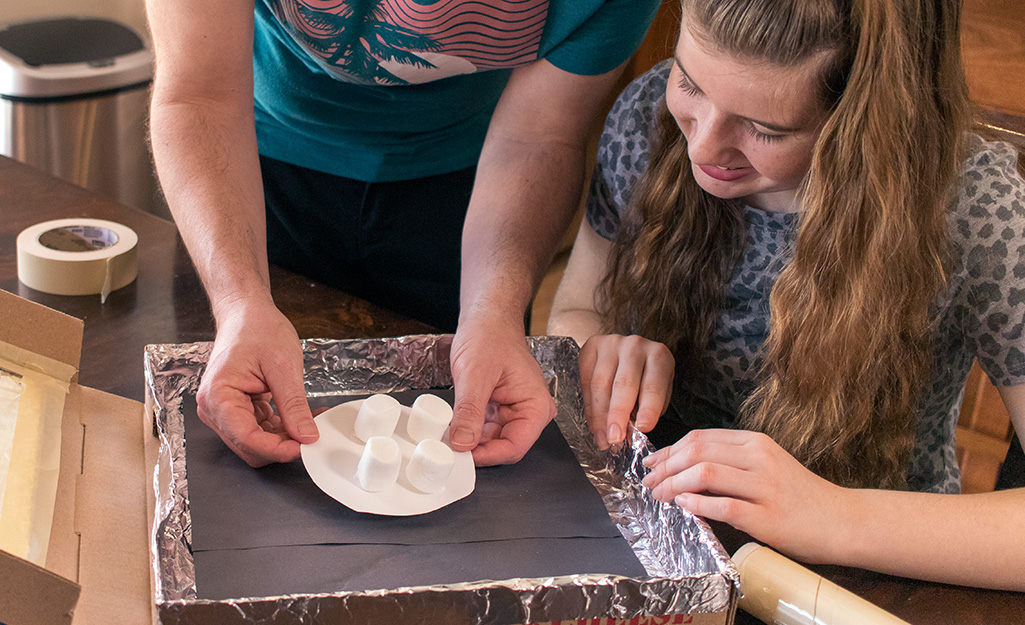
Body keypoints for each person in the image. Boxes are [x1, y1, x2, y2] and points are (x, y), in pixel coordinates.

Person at [548, 0, 1025, 590]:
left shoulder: (978, 209)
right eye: (689, 84)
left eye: (766, 129)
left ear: (865, 117)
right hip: (655, 544)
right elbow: (575, 308)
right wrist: (599, 349)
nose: (701, 149)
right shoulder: (648, 116)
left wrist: (836, 516)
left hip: (867, 574)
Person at [145, 0, 660, 468]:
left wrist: (494, 310)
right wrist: (239, 302)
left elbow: (541, 135)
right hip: (250, 169)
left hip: (477, 187)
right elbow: (199, 95)